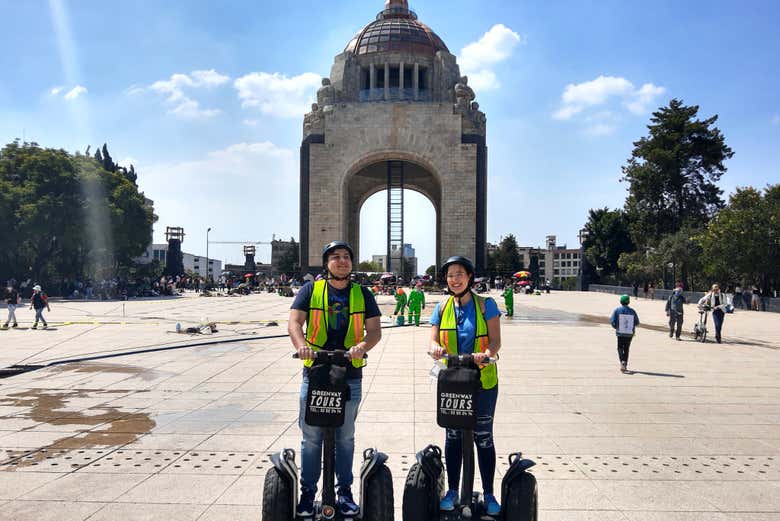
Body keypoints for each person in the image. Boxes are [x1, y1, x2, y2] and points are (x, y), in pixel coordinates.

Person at [288, 241, 382, 517]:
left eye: (346, 257)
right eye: (336, 257)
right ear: (326, 263)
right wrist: (301, 345)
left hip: (349, 373)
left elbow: (374, 331)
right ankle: (307, 493)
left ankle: (345, 492)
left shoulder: (363, 294)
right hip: (315, 372)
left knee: (345, 436)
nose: (342, 261)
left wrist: (362, 347)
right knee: (312, 436)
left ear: (351, 264)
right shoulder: (310, 290)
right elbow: (294, 323)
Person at [429, 256, 502, 516]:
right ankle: (452, 489)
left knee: (483, 437)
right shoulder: (441, 307)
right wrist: (435, 348)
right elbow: (432, 340)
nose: (455, 279)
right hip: (454, 382)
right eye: (450, 275)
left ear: (470, 277)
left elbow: (495, 341)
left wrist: (486, 353)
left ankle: (490, 493)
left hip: (483, 381)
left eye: (460, 274)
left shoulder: (486, 306)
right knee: (453, 436)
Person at [610, 294, 639, 373]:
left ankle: (622, 362)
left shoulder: (617, 310)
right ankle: (625, 363)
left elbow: (612, 321)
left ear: (620, 301)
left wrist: (616, 327)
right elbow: (637, 322)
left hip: (620, 333)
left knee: (620, 347)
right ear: (628, 302)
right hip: (629, 333)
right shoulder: (632, 311)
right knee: (626, 348)